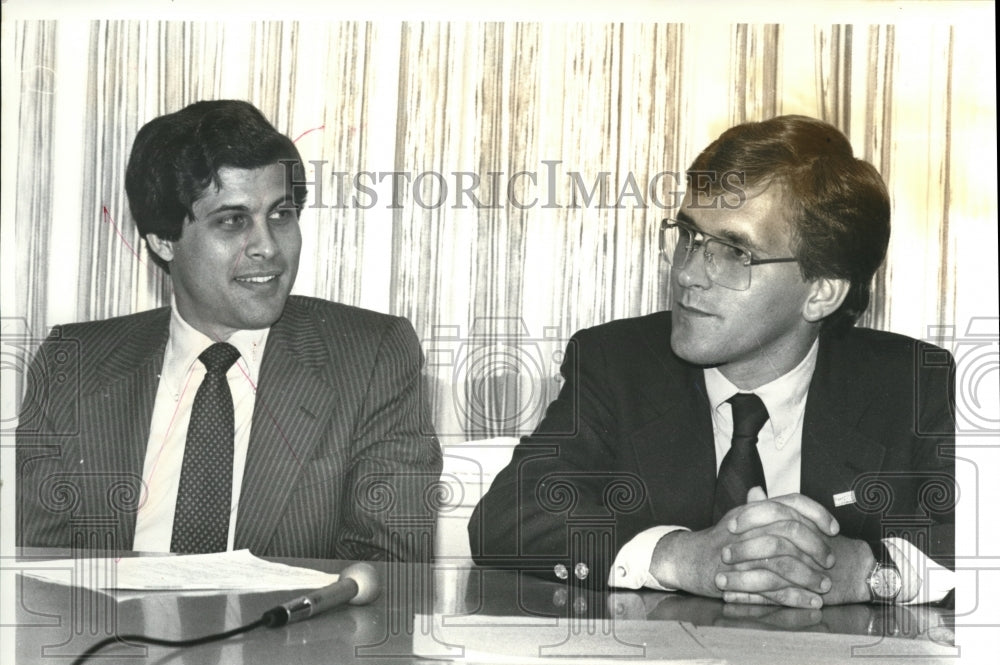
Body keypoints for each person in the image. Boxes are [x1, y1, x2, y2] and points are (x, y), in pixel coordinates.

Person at [470, 115, 955, 606]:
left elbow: (973, 540)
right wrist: (680, 557)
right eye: (689, 237)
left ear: (821, 293)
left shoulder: (913, 384)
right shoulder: (617, 363)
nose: (688, 274)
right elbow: (509, 516)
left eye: (734, 252)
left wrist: (867, 572)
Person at [16, 100, 442, 561]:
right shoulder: (72, 361)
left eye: (281, 215)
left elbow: (387, 570)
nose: (267, 247)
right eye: (233, 221)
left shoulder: (372, 357)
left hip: (291, 631)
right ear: (163, 240)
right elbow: (38, 570)